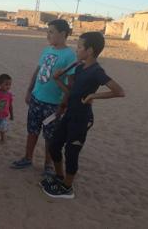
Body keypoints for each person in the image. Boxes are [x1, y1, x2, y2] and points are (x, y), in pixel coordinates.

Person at [40, 32, 125, 199]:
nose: (76, 50)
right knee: (54, 145)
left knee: (71, 153)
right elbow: (72, 93)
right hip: (70, 113)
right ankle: (59, 177)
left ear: (90, 50)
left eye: (79, 47)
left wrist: (94, 96)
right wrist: (57, 80)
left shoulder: (97, 71)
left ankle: (67, 188)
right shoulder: (79, 67)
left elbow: (119, 91)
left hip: (82, 118)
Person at [11, 19, 77, 175]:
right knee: (32, 130)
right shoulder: (47, 50)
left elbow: (71, 85)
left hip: (53, 104)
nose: (48, 35)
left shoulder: (70, 56)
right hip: (36, 99)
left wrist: (63, 104)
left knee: (50, 136)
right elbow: (38, 70)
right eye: (48, 31)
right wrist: (29, 90)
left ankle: (48, 164)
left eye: (51, 32)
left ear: (62, 34)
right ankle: (28, 158)